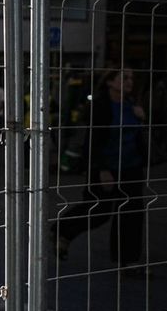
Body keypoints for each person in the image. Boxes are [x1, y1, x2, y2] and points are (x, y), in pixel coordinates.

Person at [51, 68, 147, 273]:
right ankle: (62, 229)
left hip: (131, 167)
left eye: (131, 78)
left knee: (132, 214)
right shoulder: (100, 105)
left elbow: (143, 137)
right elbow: (93, 141)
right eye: (124, 78)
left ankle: (128, 261)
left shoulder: (133, 106)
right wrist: (102, 168)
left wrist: (143, 118)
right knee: (98, 211)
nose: (130, 82)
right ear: (110, 82)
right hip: (105, 167)